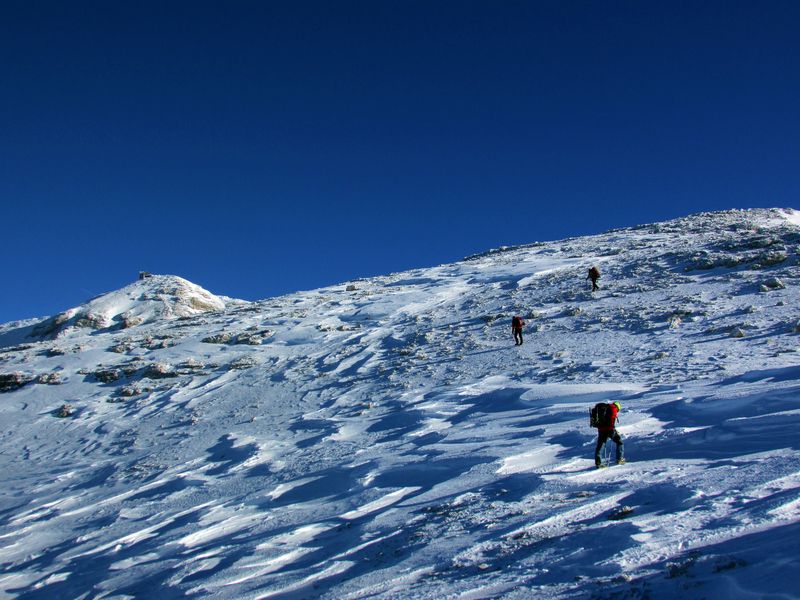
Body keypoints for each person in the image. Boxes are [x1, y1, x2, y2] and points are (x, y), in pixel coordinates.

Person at [595, 401, 625, 468]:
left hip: (601, 429)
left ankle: (598, 463)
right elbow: (611, 420)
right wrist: (612, 429)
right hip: (609, 429)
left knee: (600, 445)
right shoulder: (613, 408)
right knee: (620, 442)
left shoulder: (605, 407)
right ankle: (619, 459)